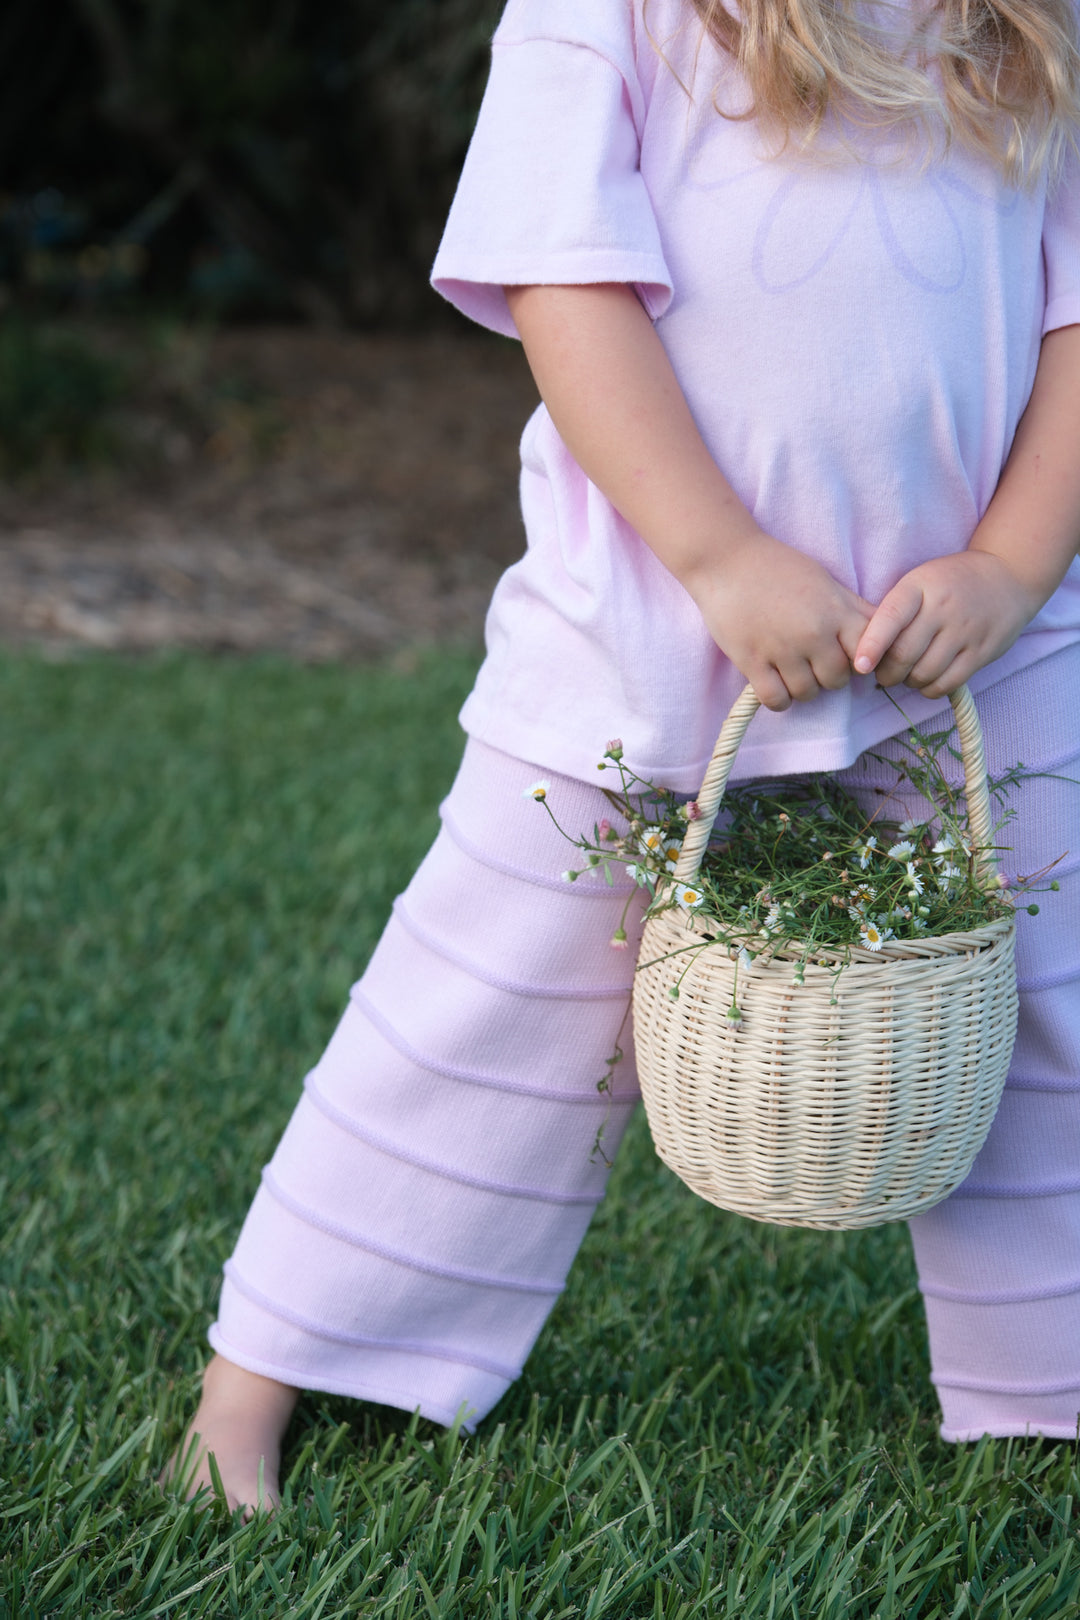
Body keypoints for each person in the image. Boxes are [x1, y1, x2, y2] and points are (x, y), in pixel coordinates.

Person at [168, 0, 1080, 1512]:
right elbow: (565, 281)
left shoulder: (1028, 24)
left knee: (1046, 996)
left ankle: (1050, 1385)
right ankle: (258, 1376)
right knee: (495, 999)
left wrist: (1008, 569)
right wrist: (721, 555)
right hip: (655, 620)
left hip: (973, 642)